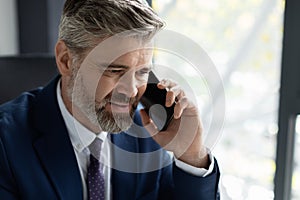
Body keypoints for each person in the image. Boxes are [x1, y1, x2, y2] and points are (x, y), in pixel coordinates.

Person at [0, 0, 220, 199]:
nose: (132, 90)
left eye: (142, 72)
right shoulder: (6, 144)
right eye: (115, 71)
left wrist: (191, 155)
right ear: (66, 60)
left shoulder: (151, 131)